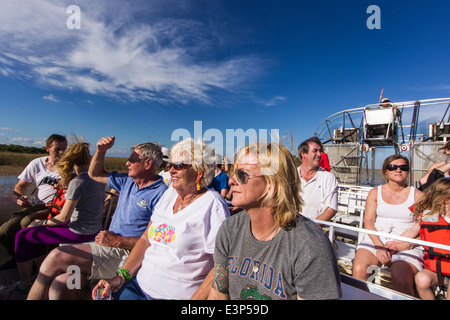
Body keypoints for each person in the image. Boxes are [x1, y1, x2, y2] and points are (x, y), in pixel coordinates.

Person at [27, 136, 167, 300]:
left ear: (148, 163)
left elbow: (159, 242)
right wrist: (101, 151)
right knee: (61, 284)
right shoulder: (127, 181)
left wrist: (118, 241)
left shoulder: (162, 194)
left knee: (56, 257)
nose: (127, 163)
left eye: (131, 160)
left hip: (126, 255)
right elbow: (94, 173)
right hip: (106, 248)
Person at [92, 138, 230, 300]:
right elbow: (145, 239)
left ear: (198, 170)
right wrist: (121, 277)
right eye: (170, 165)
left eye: (178, 166)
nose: (171, 170)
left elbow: (221, 266)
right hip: (137, 288)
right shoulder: (169, 195)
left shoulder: (213, 204)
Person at [208, 142, 342, 300]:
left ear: (272, 185)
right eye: (233, 173)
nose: (231, 181)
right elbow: (217, 295)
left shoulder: (310, 245)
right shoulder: (229, 229)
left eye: (242, 175)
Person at [12, 137, 106, 294]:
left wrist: (40, 223)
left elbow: (63, 218)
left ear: (71, 160)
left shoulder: (78, 181)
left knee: (22, 235)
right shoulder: (99, 178)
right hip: (94, 229)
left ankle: (24, 283)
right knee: (34, 236)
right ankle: (40, 273)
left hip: (78, 233)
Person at [352, 154, 424, 296]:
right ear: (386, 171)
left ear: (408, 171)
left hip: (406, 242)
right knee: (360, 269)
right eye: (393, 167)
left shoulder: (418, 196)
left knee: (401, 279)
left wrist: (407, 244)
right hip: (377, 238)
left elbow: (425, 228)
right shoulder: (375, 193)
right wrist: (379, 247)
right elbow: (369, 222)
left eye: (403, 167)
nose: (398, 170)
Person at [0, 134, 67, 266]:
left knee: (27, 223)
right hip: (37, 206)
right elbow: (20, 186)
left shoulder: (69, 166)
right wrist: (20, 197)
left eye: (64, 149)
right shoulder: (37, 164)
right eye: (58, 149)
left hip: (57, 207)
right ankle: (19, 258)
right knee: (5, 231)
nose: (62, 152)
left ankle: (40, 265)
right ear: (48, 148)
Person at [385, 178, 450, 300]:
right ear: (444, 201)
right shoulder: (431, 216)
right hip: (438, 269)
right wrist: (395, 243)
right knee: (421, 279)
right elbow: (412, 232)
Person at [297, 138, 338, 221]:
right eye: (315, 151)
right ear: (303, 154)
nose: (319, 154)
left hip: (316, 230)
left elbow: (331, 209)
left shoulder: (329, 178)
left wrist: (312, 228)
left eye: (320, 151)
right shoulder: (290, 175)